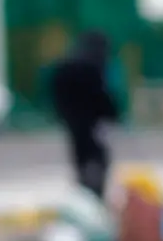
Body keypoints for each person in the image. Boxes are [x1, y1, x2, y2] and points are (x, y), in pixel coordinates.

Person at [45, 30, 117, 202]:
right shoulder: (92, 68)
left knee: (83, 157)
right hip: (90, 124)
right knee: (95, 158)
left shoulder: (64, 67)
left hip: (73, 122)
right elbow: (102, 98)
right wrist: (113, 113)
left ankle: (87, 191)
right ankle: (92, 193)